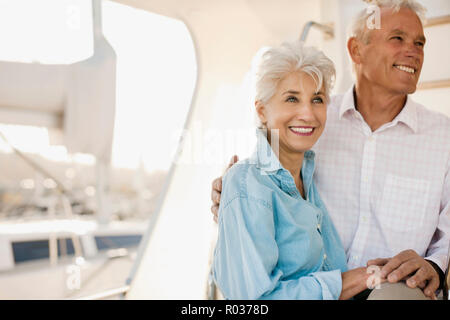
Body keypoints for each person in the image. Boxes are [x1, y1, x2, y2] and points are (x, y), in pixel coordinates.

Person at [211, 0, 450, 300]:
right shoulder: (312, 127)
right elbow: (259, 181)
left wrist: (435, 267)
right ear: (355, 50)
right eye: (397, 38)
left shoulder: (444, 137)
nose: (413, 50)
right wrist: (232, 193)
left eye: (420, 42)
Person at [213, 41, 377, 300]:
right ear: (262, 110)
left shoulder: (308, 178)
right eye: (292, 98)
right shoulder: (246, 183)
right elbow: (255, 301)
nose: (308, 114)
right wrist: (346, 282)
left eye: (317, 100)